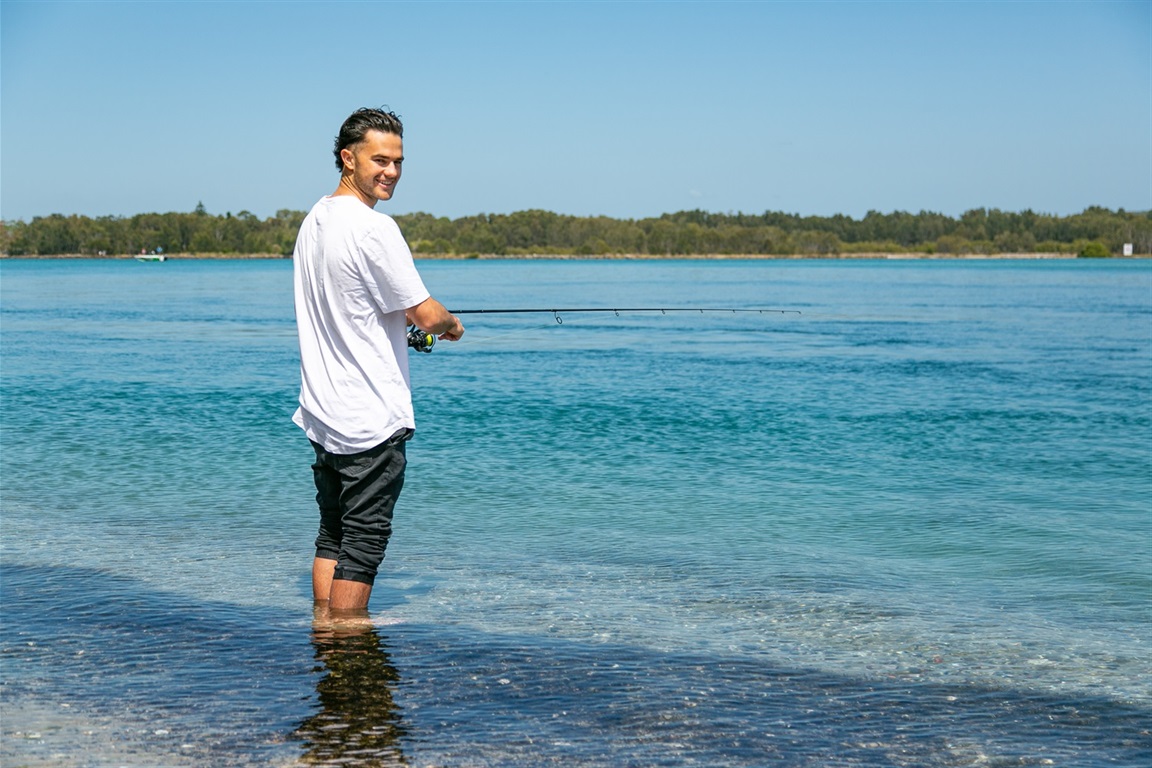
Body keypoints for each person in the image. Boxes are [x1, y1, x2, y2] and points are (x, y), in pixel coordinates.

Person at [292, 107, 464, 614]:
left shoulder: (314, 220)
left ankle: (325, 635)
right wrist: (453, 327)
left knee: (333, 534)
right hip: (368, 419)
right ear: (348, 158)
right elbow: (426, 314)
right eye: (379, 159)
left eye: (398, 161)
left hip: (323, 413)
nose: (390, 171)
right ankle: (347, 650)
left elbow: (360, 305)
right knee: (363, 545)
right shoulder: (374, 229)